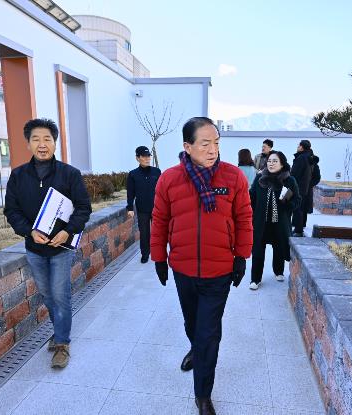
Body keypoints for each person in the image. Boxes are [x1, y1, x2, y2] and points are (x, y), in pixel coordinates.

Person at [151, 117, 253, 415]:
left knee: (208, 332)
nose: (212, 150)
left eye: (216, 143)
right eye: (205, 143)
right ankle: (195, 348)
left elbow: (244, 219)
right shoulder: (169, 179)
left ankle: (203, 395)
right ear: (188, 146)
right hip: (183, 269)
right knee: (192, 323)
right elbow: (159, 220)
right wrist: (159, 258)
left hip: (219, 270)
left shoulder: (233, 177)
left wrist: (241, 256)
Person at [4, 118, 91, 369]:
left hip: (60, 248)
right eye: (36, 139)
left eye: (47, 139)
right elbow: (12, 211)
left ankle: (62, 343)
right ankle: (59, 330)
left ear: (55, 143)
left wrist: (68, 231)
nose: (42, 144)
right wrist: (29, 232)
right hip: (35, 249)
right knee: (47, 294)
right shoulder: (18, 176)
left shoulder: (69, 174)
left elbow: (83, 208)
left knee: (60, 295)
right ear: (28, 144)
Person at [249, 151, 301, 290]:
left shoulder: (289, 180)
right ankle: (255, 279)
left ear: (282, 164)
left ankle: (278, 271)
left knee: (279, 247)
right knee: (258, 250)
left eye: (275, 161)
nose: (271, 164)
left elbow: (297, 200)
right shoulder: (260, 178)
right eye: (269, 161)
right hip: (261, 222)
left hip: (280, 222)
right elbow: (252, 197)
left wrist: (288, 204)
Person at [126, 145, 161, 263]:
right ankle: (145, 254)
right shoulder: (133, 174)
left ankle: (158, 252)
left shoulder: (156, 172)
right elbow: (130, 193)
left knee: (158, 232)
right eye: (144, 156)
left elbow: (162, 190)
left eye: (148, 156)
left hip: (156, 208)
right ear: (137, 158)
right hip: (142, 209)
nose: (147, 158)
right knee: (144, 233)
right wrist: (130, 208)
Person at [291, 140, 320, 236]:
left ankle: (298, 230)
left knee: (298, 208)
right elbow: (317, 177)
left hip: (299, 188)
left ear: (302, 147)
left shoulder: (301, 158)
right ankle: (301, 226)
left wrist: (291, 185)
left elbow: (294, 174)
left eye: (298, 145)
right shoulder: (311, 158)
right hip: (307, 189)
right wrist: (309, 184)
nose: (297, 147)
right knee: (302, 208)